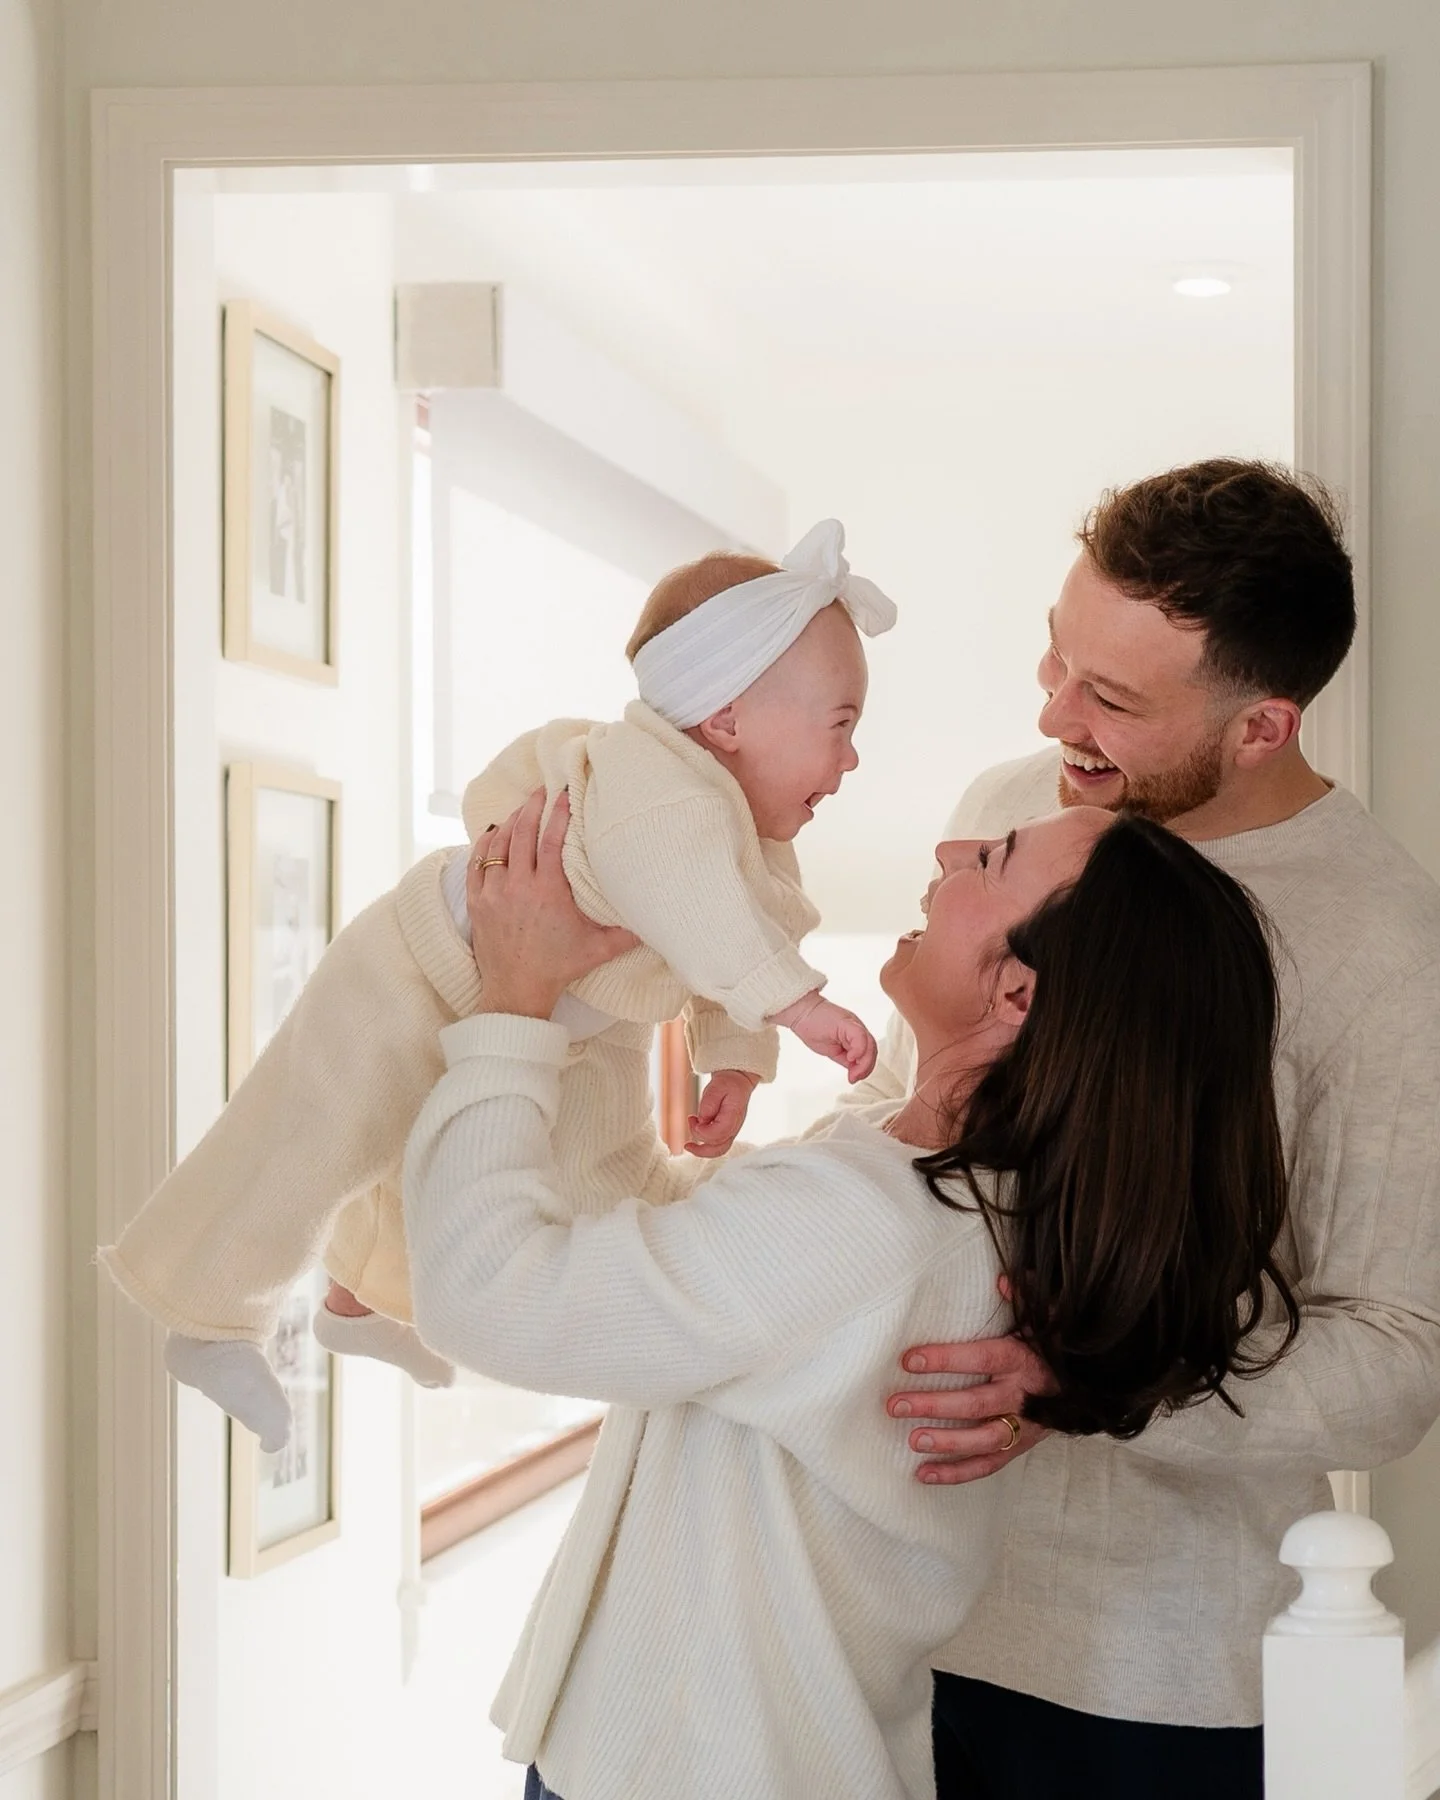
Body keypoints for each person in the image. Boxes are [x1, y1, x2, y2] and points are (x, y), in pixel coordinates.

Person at [400, 786, 1299, 1800]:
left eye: (994, 858)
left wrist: (512, 1001)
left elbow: (484, 1293)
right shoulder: (997, 1212)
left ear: (1017, 997)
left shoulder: (864, 1220)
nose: (953, 846)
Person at [858, 460, 1440, 1798]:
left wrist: (1084, 1390)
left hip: (1147, 1685)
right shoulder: (1013, 811)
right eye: (1059, 661)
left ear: (1261, 727)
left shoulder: (1386, 947)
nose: (1055, 713)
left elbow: (1396, 1360)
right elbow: (912, 1128)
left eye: (1111, 699)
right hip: (889, 1607)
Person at [98, 520, 892, 1451]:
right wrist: (797, 1007)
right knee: (315, 1132)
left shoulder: (745, 835)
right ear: (725, 719)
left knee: (571, 1178)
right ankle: (204, 1312)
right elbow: (702, 910)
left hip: (575, 1019)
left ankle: (358, 1303)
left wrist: (736, 1062)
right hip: (423, 966)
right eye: (839, 728)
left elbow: (741, 926)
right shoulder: (656, 784)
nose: (851, 761)